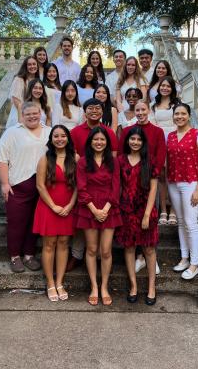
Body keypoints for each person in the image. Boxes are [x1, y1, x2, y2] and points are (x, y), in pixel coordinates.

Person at [0, 102, 51, 273]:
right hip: (18, 186)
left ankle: (29, 255)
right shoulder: (12, 132)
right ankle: (15, 256)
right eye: (28, 114)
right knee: (17, 223)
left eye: (35, 113)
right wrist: (4, 184)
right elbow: (1, 158)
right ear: (22, 116)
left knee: (34, 223)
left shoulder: (49, 131)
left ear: (41, 113)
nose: (32, 116)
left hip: (43, 187)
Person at [67, 98, 118, 271]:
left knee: (104, 247)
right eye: (91, 108)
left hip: (104, 187)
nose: (94, 111)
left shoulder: (108, 132)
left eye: (98, 108)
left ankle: (102, 264)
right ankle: (76, 256)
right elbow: (70, 154)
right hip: (82, 180)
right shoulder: (75, 132)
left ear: (103, 111)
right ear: (85, 111)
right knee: (83, 231)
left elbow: (113, 157)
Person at [75, 127, 122, 306]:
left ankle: (104, 286)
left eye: (102, 140)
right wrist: (95, 210)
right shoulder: (83, 162)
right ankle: (94, 286)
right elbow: (81, 187)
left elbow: (116, 187)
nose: (99, 142)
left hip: (110, 207)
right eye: (96, 140)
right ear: (90, 142)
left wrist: (106, 208)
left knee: (106, 250)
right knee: (92, 249)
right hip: (89, 208)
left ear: (107, 143)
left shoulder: (113, 162)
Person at [118, 99, 165, 275]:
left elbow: (160, 156)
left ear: (149, 111)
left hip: (149, 180)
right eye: (137, 110)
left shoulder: (157, 131)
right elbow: (123, 154)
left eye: (143, 109)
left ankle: (149, 256)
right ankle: (139, 257)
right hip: (131, 183)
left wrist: (150, 174)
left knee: (149, 224)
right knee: (131, 227)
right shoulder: (129, 131)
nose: (140, 113)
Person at [33, 125, 78, 301]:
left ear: (68, 138)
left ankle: (60, 282)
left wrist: (70, 205)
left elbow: (78, 186)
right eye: (56, 136)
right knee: (49, 244)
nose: (60, 139)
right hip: (48, 206)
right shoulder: (45, 158)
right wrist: (53, 206)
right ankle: (50, 283)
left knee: (64, 243)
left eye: (63, 136)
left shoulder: (75, 157)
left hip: (68, 207)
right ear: (51, 139)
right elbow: (40, 185)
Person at [116, 127, 159, 305]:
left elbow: (154, 188)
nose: (135, 142)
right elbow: (117, 187)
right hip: (126, 211)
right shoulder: (120, 160)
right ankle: (133, 285)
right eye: (132, 139)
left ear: (143, 142)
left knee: (148, 249)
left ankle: (151, 287)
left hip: (145, 211)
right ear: (127, 141)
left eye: (138, 139)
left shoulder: (150, 162)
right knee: (129, 248)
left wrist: (147, 214)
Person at [167, 102, 198, 280]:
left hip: (191, 183)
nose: (180, 117)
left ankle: (194, 264)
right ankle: (184, 258)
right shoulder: (170, 136)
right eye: (177, 114)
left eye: (183, 113)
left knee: (191, 223)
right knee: (182, 222)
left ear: (189, 115)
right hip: (173, 182)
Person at [150, 76, 180, 225]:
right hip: (159, 142)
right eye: (163, 86)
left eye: (168, 86)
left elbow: (181, 123)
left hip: (174, 142)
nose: (165, 88)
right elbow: (152, 125)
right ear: (159, 87)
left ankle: (173, 210)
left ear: (172, 88)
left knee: (173, 177)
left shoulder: (177, 105)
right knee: (161, 176)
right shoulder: (153, 105)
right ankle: (162, 209)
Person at [6, 55, 39, 128]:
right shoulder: (19, 79)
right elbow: (16, 101)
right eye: (29, 64)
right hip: (20, 114)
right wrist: (23, 118)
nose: (32, 66)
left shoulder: (38, 80)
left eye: (34, 64)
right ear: (25, 66)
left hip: (33, 115)